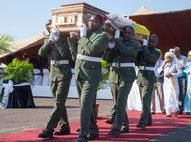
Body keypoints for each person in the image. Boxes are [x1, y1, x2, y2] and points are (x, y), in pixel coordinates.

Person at [68, 14, 109, 142]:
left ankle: (83, 134)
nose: (91, 23)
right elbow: (75, 55)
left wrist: (83, 36)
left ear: (101, 24)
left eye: (95, 21)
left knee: (85, 104)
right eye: (90, 20)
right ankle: (93, 130)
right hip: (80, 72)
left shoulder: (102, 36)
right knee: (88, 104)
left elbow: (92, 49)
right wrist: (72, 40)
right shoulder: (84, 35)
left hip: (91, 75)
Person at [38, 20, 72, 138]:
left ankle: (49, 128)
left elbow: (65, 54)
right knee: (58, 102)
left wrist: (57, 39)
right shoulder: (49, 38)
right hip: (53, 71)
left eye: (50, 25)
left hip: (64, 71)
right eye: (47, 26)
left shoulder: (66, 36)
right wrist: (50, 41)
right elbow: (41, 53)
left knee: (59, 102)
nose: (49, 28)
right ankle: (65, 127)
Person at [106, 26, 138, 136]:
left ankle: (116, 127)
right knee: (118, 102)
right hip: (114, 75)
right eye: (125, 32)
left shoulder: (134, 44)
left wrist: (117, 40)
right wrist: (110, 48)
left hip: (127, 76)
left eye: (129, 33)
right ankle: (125, 124)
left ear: (132, 35)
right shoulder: (117, 43)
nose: (127, 34)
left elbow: (125, 51)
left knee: (120, 101)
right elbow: (108, 59)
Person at [135, 34, 161, 128]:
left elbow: (150, 58)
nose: (150, 43)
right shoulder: (143, 50)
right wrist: (139, 50)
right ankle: (149, 120)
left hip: (149, 77)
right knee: (144, 101)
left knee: (146, 100)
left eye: (153, 42)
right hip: (141, 76)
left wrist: (144, 47)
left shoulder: (157, 52)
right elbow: (136, 62)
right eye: (149, 41)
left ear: (156, 43)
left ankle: (143, 121)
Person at [158, 52, 181, 117]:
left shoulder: (176, 63)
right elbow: (157, 72)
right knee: (167, 97)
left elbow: (180, 73)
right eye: (166, 57)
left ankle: (176, 110)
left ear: (172, 57)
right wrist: (163, 65)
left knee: (174, 96)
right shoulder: (164, 64)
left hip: (173, 83)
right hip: (166, 84)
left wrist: (172, 75)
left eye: (169, 57)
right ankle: (168, 112)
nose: (167, 59)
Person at [173, 46, 189, 114]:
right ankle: (179, 108)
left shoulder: (185, 58)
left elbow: (189, 68)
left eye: (175, 53)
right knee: (178, 93)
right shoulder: (173, 59)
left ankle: (185, 108)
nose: (174, 54)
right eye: (174, 53)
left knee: (183, 93)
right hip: (176, 78)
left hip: (183, 78)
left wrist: (183, 67)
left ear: (179, 52)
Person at [152, 49, 165, 114]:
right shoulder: (152, 61)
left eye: (159, 54)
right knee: (152, 95)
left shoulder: (163, 62)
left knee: (161, 95)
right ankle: (152, 109)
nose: (158, 55)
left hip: (159, 80)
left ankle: (162, 108)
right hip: (152, 79)